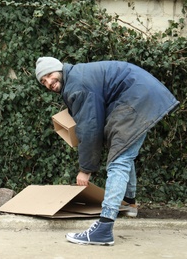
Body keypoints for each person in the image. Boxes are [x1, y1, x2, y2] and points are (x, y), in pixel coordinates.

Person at [35, 57, 179, 246]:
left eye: (49, 76)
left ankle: (104, 228)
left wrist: (85, 169)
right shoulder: (76, 77)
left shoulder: (77, 84)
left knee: (119, 159)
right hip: (138, 95)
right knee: (123, 150)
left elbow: (89, 128)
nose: (48, 83)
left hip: (136, 97)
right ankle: (129, 203)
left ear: (58, 69)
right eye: (43, 82)